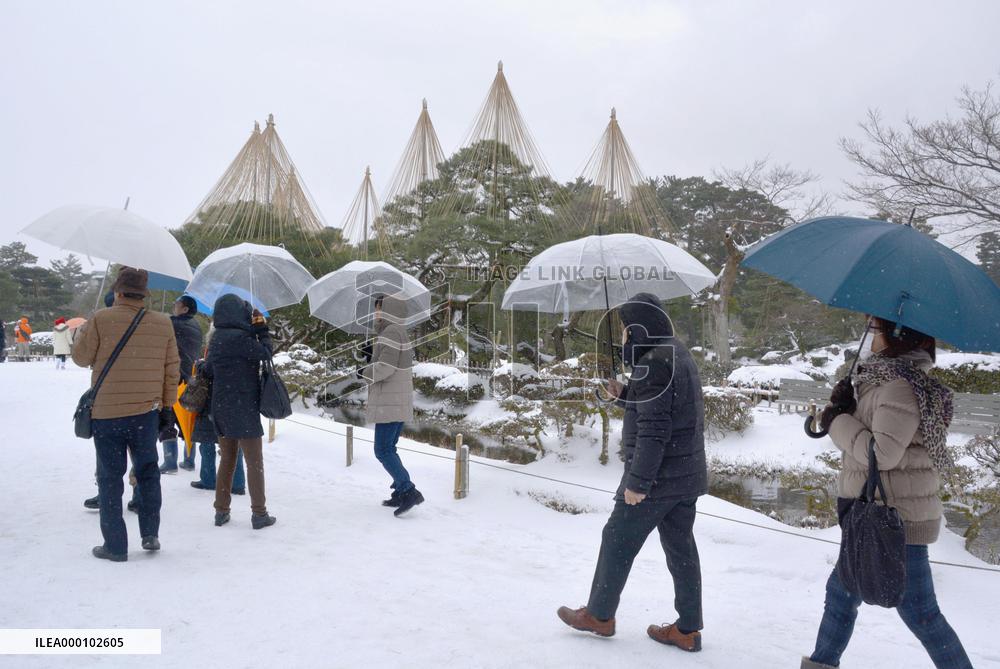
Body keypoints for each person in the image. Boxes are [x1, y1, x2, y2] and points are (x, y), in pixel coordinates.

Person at [801, 317, 973, 669]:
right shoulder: (882, 380)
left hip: (894, 519)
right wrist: (847, 405)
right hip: (873, 512)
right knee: (841, 595)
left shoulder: (900, 386)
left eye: (876, 329)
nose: (870, 336)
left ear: (898, 335)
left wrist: (836, 420)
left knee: (922, 614)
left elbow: (882, 454)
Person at [557, 293, 707, 652]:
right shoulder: (675, 352)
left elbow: (655, 430)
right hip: (685, 475)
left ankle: (599, 615)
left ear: (639, 328)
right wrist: (625, 393)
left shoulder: (652, 363)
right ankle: (687, 629)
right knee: (681, 550)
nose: (623, 334)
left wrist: (638, 483)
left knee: (616, 538)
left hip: (658, 479)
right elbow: (666, 407)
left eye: (626, 328)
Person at [72, 267, 179, 561]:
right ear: (144, 294)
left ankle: (115, 546)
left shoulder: (101, 318)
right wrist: (167, 406)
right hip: (146, 412)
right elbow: (172, 369)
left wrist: (84, 331)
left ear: (118, 292)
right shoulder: (163, 323)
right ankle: (150, 533)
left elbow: (81, 358)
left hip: (107, 413)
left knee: (110, 478)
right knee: (148, 472)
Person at [202, 294, 276, 529]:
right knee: (254, 461)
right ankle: (259, 514)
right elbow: (266, 353)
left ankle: (221, 510)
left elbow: (208, 370)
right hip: (245, 406)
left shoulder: (216, 339)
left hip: (221, 406)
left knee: (227, 459)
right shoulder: (244, 339)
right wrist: (261, 329)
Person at [359, 294, 423, 517]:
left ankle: (408, 490)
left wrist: (364, 372)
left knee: (382, 450)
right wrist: (371, 354)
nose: (376, 312)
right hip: (396, 401)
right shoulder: (395, 331)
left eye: (380, 308)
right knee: (390, 448)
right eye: (376, 308)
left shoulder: (391, 332)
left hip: (390, 402)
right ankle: (399, 492)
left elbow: (386, 368)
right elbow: (389, 361)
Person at [189, 358, 247, 495]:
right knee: (234, 446)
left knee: (207, 443)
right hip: (235, 405)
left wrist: (200, 364)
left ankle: (208, 480)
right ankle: (237, 483)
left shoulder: (218, 351)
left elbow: (207, 370)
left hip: (213, 404)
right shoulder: (243, 356)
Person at [160, 295, 203, 473]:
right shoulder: (196, 326)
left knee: (167, 419)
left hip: (174, 378)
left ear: (185, 309)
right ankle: (189, 460)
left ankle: (170, 462)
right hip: (190, 379)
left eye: (177, 304)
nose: (174, 306)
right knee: (187, 420)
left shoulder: (174, 324)